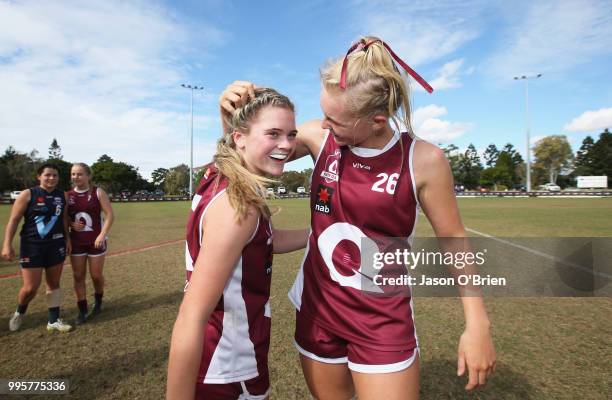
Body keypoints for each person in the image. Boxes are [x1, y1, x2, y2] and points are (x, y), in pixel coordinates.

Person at [220, 37, 496, 400]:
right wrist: (230, 119)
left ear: (376, 120)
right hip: (318, 311)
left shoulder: (423, 160)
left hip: (382, 319)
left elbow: (453, 238)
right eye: (324, 114)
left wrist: (477, 323)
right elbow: (250, 158)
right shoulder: (320, 137)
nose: (323, 126)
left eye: (335, 121)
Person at [167, 88, 309, 400]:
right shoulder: (239, 207)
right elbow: (191, 316)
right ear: (239, 138)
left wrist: (319, 232)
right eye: (273, 133)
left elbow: (266, 240)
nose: (286, 145)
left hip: (227, 358)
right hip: (228, 365)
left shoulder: (220, 174)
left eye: (291, 134)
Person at [2, 163, 73, 333]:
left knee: (54, 283)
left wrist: (67, 239)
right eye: (47, 175)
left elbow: (63, 219)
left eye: (55, 175)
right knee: (30, 287)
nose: (51, 178)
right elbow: (14, 220)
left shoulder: (62, 196)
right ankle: (19, 311)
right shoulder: (28, 194)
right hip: (32, 245)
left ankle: (53, 320)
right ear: (39, 177)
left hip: (56, 244)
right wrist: (7, 244)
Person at [67, 162, 114, 324]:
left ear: (88, 176)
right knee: (78, 275)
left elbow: (109, 215)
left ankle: (99, 301)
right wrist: (70, 224)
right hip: (77, 242)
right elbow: (63, 218)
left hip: (96, 242)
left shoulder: (97, 192)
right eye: (73, 174)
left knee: (96, 275)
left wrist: (102, 234)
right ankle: (82, 309)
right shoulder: (68, 195)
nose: (76, 177)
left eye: (79, 174)